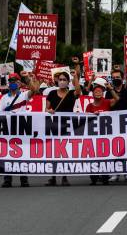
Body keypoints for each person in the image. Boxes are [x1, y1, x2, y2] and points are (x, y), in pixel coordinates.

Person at [0, 71, 38, 188]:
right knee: (7, 153)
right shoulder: (4, 98)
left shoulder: (24, 95)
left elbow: (34, 90)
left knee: (22, 153)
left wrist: (27, 78)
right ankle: (7, 179)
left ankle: (24, 179)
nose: (12, 83)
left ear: (19, 83)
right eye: (10, 81)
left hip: (22, 127)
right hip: (9, 127)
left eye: (14, 81)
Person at [45, 58, 82, 186]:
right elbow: (46, 108)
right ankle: (53, 177)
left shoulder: (72, 94)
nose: (61, 81)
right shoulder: (51, 93)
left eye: (64, 80)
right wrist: (49, 111)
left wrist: (75, 77)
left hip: (67, 125)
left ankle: (64, 176)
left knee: (65, 151)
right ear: (56, 81)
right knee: (54, 151)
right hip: (54, 125)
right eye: (60, 79)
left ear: (67, 82)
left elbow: (79, 91)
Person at [85, 77, 119, 185]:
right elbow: (85, 119)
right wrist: (91, 116)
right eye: (96, 91)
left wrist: (111, 89)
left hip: (106, 134)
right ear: (93, 94)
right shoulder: (89, 106)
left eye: (100, 91)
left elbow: (117, 99)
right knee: (94, 156)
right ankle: (94, 177)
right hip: (94, 135)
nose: (98, 93)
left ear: (103, 93)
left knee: (105, 155)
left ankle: (105, 176)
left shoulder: (107, 102)